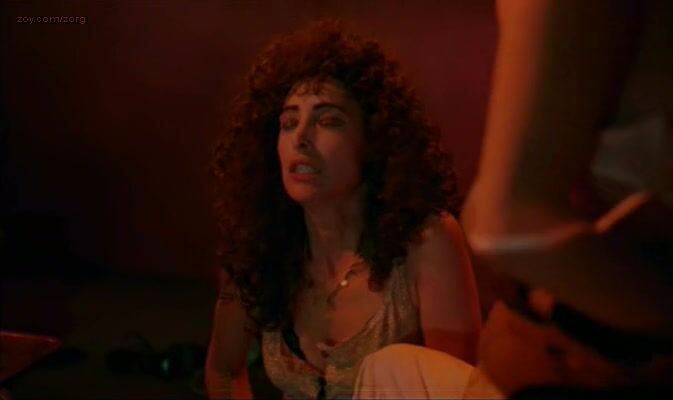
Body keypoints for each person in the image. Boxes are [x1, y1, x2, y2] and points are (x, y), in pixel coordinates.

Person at [355, 0, 673, 398]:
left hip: (586, 353)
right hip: (581, 358)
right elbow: (509, 227)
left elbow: (507, 227)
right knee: (390, 366)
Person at [205, 20, 481, 400]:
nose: (301, 138)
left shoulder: (427, 240)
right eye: (288, 123)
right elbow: (222, 371)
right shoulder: (260, 245)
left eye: (328, 120)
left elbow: (452, 392)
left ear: (374, 140)